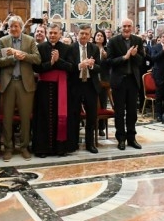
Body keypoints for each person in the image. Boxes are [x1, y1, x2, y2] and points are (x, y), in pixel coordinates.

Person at [0, 16, 40, 161]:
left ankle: (24, 147)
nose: (13, 29)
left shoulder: (30, 40)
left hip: (25, 83)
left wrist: (24, 56)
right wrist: (13, 58)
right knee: (7, 118)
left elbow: (37, 59)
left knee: (25, 118)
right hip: (9, 83)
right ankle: (8, 148)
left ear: (21, 27)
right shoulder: (3, 41)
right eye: (10, 26)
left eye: (16, 26)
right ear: (8, 28)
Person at [32, 23, 74, 157]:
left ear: (60, 34)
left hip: (60, 88)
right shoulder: (40, 47)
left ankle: (60, 148)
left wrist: (58, 60)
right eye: (50, 33)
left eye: (55, 33)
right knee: (43, 116)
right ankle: (42, 149)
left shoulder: (67, 48)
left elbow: (71, 67)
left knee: (59, 116)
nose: (52, 35)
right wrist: (50, 63)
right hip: (44, 88)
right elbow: (36, 68)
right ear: (47, 33)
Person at [106, 19, 145, 150]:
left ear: (132, 27)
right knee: (119, 112)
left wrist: (134, 56)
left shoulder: (137, 40)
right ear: (120, 27)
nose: (127, 28)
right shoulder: (113, 41)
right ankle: (121, 139)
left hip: (133, 80)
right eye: (124, 26)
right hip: (119, 81)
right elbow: (110, 61)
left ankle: (131, 138)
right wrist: (125, 57)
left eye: (129, 26)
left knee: (132, 112)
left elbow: (141, 61)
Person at [68, 25, 101, 153]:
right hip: (76, 85)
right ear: (77, 34)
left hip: (90, 85)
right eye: (82, 33)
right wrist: (79, 66)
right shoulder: (71, 48)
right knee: (74, 115)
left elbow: (100, 67)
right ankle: (73, 143)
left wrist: (92, 66)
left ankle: (90, 144)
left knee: (91, 116)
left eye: (86, 34)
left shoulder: (94, 48)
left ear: (90, 35)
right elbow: (69, 67)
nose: (84, 36)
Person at [93, 30, 110, 135]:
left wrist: (106, 58)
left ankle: (101, 127)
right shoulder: (90, 48)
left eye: (101, 36)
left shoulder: (107, 49)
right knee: (92, 103)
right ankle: (92, 125)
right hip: (93, 79)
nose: (99, 37)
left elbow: (111, 64)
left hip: (104, 79)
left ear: (104, 38)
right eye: (97, 35)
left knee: (103, 103)